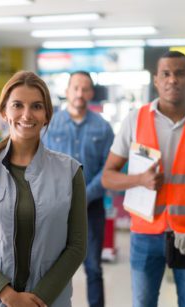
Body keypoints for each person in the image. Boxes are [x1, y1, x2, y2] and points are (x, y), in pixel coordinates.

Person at [101, 51, 185, 307]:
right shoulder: (134, 120)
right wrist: (139, 179)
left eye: (180, 73)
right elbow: (108, 177)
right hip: (144, 234)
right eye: (166, 74)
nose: (173, 80)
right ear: (156, 80)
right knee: (143, 303)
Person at [0, 71, 88, 307]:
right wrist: (8, 296)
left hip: (49, 302)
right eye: (17, 105)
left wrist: (39, 299)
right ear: (4, 112)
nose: (27, 115)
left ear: (47, 115)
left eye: (37, 106)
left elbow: (77, 246)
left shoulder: (70, 171)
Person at [42, 71, 114, 307]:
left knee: (93, 267)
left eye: (85, 89)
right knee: (54, 269)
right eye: (76, 88)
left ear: (91, 93)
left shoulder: (103, 129)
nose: (80, 94)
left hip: (90, 209)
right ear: (67, 92)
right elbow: (40, 163)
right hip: (54, 210)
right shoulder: (50, 125)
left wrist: (83, 196)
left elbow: (110, 170)